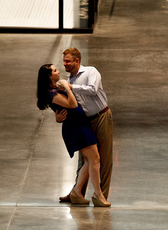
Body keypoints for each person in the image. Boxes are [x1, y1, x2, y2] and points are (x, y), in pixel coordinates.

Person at [36, 63, 111, 207]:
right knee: (94, 159)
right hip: (76, 127)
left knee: (91, 160)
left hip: (80, 124)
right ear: (49, 76)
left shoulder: (54, 89)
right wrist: (67, 88)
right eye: (55, 70)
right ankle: (98, 195)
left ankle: (77, 192)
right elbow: (72, 104)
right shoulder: (51, 92)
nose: (59, 71)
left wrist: (64, 87)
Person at [57, 47, 113, 202]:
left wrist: (71, 88)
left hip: (101, 116)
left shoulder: (90, 72)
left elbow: (93, 89)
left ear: (77, 60)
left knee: (105, 158)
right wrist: (58, 116)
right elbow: (69, 104)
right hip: (86, 121)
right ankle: (77, 192)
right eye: (64, 61)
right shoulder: (69, 81)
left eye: (68, 61)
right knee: (85, 159)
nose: (65, 64)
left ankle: (102, 195)